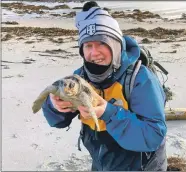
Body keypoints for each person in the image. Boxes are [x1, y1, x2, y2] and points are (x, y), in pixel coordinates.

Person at [42, 1, 167, 171]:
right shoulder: (80, 78)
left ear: (116, 45)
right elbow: (56, 121)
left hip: (143, 166)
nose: (94, 53)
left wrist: (108, 113)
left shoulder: (140, 78)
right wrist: (55, 106)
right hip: (102, 163)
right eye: (88, 45)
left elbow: (153, 136)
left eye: (101, 43)